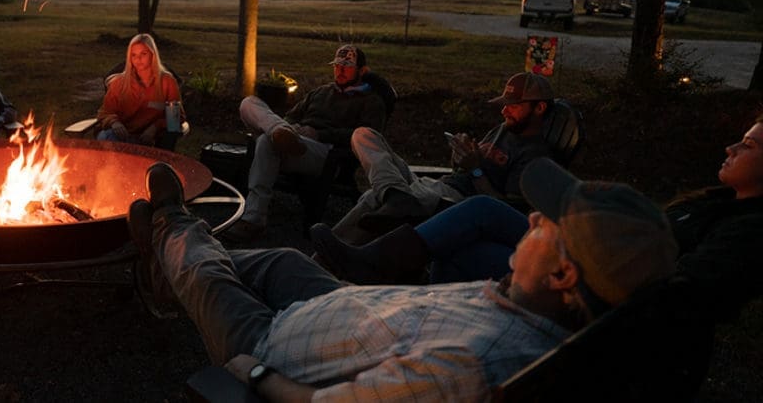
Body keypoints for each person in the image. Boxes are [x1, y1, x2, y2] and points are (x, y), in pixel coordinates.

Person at [128, 159, 677, 401]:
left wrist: (256, 372)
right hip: (346, 306)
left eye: (546, 224)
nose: (529, 219)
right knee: (276, 259)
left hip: (273, 344)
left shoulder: (472, 366)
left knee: (202, 265)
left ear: (563, 273)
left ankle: (170, 227)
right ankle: (166, 264)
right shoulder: (530, 304)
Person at [315, 115, 763, 316]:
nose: (731, 147)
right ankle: (408, 292)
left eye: (749, 145)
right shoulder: (712, 202)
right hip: (567, 245)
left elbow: (679, 289)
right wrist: (477, 160)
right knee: (456, 252)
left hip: (587, 272)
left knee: (480, 212)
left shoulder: (748, 229)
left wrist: (477, 169)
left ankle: (374, 264)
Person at [329, 71, 554, 246]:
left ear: (539, 107)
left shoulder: (534, 156)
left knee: (373, 195)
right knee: (363, 135)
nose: (505, 111)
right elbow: (462, 169)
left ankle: (326, 257)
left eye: (513, 105)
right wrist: (461, 155)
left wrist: (475, 169)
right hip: (437, 184)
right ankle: (395, 194)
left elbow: (503, 210)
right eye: (504, 104)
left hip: (454, 201)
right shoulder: (504, 129)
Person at [223, 44, 387, 241]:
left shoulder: (371, 101)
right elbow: (291, 116)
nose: (340, 70)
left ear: (362, 71)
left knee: (267, 141)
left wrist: (319, 134)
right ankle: (279, 131)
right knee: (249, 103)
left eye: (347, 66)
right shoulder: (320, 92)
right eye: (337, 65)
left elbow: (367, 136)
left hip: (326, 154)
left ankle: (254, 219)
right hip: (295, 142)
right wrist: (293, 128)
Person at [95, 33, 183, 147]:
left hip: (151, 139)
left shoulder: (167, 82)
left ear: (153, 54)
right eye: (133, 55)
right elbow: (105, 112)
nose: (138, 59)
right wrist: (114, 122)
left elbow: (174, 120)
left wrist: (155, 127)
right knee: (105, 138)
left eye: (143, 54)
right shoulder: (119, 83)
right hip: (122, 136)